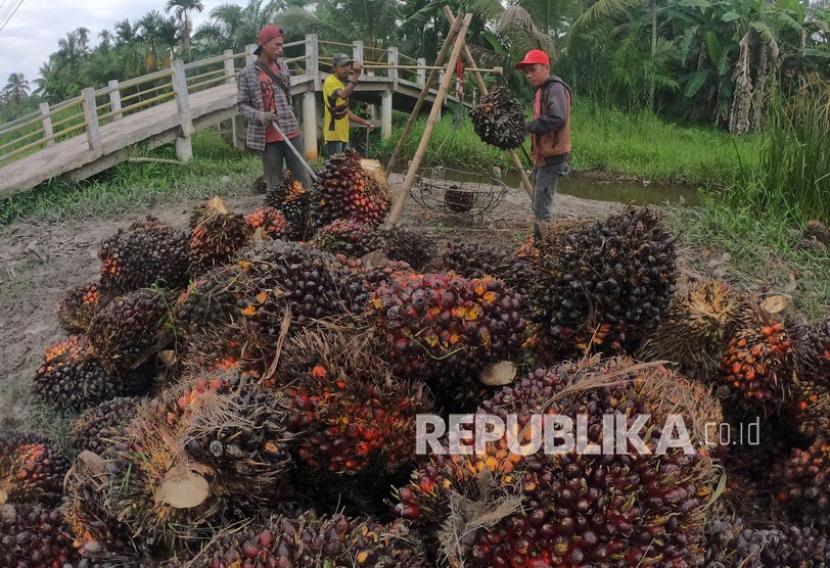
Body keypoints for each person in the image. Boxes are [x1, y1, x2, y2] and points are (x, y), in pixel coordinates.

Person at [237, 24, 312, 191]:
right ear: (263, 44)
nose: (280, 49)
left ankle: (309, 214)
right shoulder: (247, 73)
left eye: (282, 45)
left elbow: (288, 94)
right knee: (275, 185)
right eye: (276, 45)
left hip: (291, 132)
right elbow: (241, 106)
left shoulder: (283, 67)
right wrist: (260, 116)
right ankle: (276, 216)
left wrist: (290, 112)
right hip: (268, 139)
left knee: (303, 179)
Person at [515, 49, 572, 240]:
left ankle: (545, 245)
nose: (529, 75)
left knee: (541, 204)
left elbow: (557, 117)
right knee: (538, 199)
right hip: (544, 155)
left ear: (546, 67)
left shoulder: (554, 88)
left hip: (553, 157)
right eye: (526, 72)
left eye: (533, 69)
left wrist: (529, 127)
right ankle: (539, 237)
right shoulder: (542, 89)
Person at [322, 53, 373, 156]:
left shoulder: (340, 84)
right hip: (334, 135)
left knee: (345, 169)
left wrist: (364, 122)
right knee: (336, 169)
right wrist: (356, 76)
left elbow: (345, 112)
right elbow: (344, 95)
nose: (346, 69)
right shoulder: (330, 81)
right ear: (334, 67)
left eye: (347, 65)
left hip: (343, 135)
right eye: (342, 66)